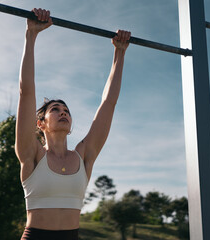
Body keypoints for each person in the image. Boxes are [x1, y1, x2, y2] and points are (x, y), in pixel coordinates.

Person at [15, 8, 131, 240]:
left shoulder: (84, 154)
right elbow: (26, 92)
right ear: (41, 123)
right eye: (55, 110)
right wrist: (31, 35)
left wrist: (119, 53)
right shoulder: (32, 154)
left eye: (66, 110)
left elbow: (108, 103)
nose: (63, 113)